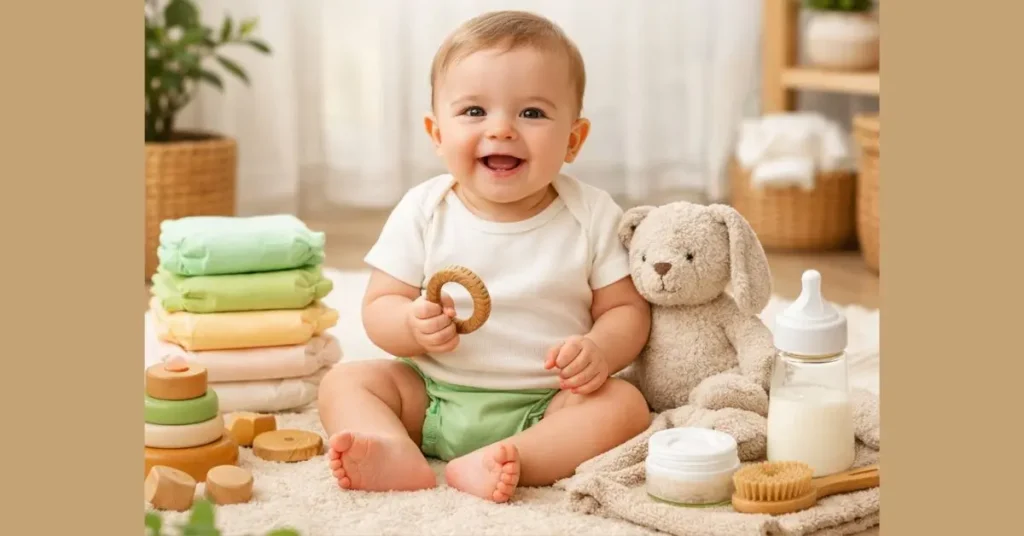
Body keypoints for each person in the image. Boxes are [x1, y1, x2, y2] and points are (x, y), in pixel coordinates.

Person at [317, 9, 652, 503]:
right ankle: (392, 448)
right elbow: (378, 307)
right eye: (474, 112)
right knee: (345, 381)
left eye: (532, 113)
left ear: (573, 140)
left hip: (547, 402)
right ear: (437, 134)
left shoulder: (591, 214)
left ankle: (517, 456)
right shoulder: (424, 210)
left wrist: (600, 349)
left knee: (624, 405)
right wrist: (411, 324)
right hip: (430, 392)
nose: (501, 130)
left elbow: (626, 310)